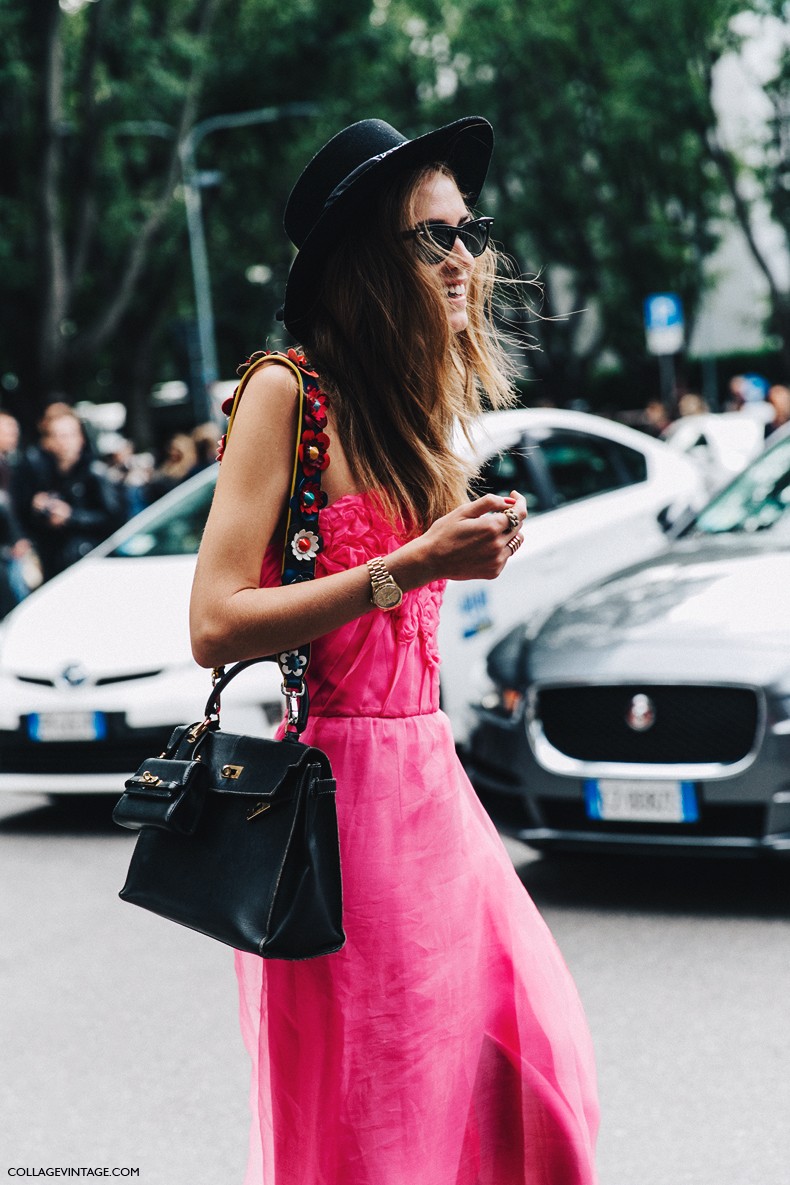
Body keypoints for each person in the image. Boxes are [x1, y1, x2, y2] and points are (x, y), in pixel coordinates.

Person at [190, 117, 599, 1185]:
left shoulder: (415, 401)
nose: (464, 257)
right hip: (343, 805)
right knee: (384, 1111)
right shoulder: (288, 391)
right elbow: (215, 620)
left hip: (434, 787)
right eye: (432, 237)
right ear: (368, 256)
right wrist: (414, 566)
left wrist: (467, 552)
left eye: (468, 231)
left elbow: (408, 588)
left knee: (529, 1061)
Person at [17, 409, 122, 581]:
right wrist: (36, 507)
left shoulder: (95, 473)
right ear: (47, 441)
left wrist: (71, 516)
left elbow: (115, 519)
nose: (62, 442)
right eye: (56, 436)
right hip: (58, 566)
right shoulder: (42, 473)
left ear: (81, 437)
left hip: (93, 564)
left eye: (68, 435)